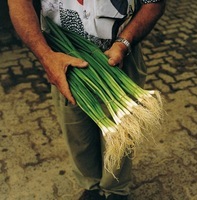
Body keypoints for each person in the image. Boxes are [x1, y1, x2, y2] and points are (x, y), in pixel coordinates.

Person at [8, 0, 166, 199]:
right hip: (63, 60)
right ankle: (91, 187)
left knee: (121, 135)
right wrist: (46, 57)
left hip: (119, 56)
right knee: (77, 132)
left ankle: (116, 190)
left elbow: (154, 3)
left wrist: (123, 43)